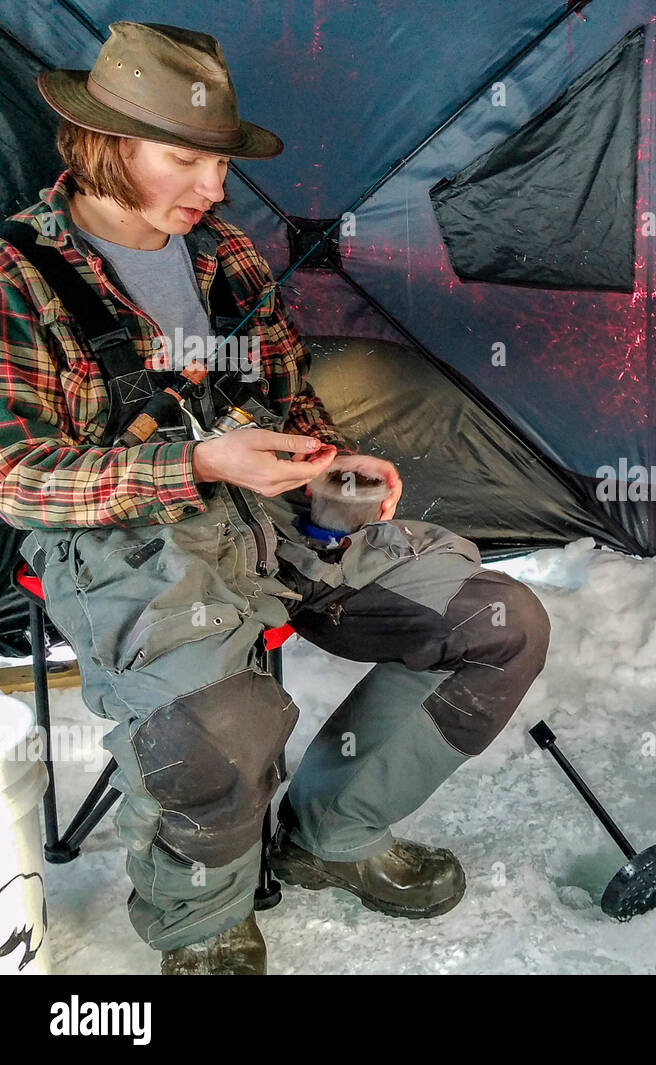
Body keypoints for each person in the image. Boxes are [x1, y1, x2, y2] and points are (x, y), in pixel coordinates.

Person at [0, 22, 550, 974]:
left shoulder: (223, 254)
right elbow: (16, 473)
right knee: (220, 727)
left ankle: (330, 833)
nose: (214, 189)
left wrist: (337, 471)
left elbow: (290, 406)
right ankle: (201, 918)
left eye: (219, 164)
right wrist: (200, 464)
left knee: (499, 625)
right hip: (122, 541)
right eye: (185, 160)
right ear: (104, 143)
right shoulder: (18, 272)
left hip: (276, 518)